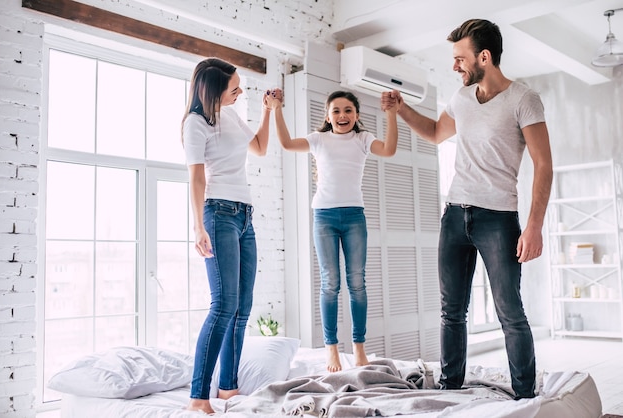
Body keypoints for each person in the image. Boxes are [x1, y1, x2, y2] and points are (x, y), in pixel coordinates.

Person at [381, 19, 553, 400]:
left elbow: (543, 165)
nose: (455, 66)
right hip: (455, 216)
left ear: (485, 57)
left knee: (510, 312)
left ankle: (525, 397)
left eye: (460, 58)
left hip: (498, 218)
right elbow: (437, 133)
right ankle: (451, 388)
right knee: (452, 311)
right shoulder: (461, 99)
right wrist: (403, 108)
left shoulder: (524, 100)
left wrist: (534, 227)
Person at [267, 90, 400, 372]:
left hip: (354, 217)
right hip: (324, 216)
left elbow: (388, 150)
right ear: (327, 116)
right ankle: (331, 350)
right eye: (336, 111)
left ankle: (359, 349)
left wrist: (391, 113)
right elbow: (287, 144)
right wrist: (277, 107)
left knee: (357, 284)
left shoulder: (362, 139)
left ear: (357, 115)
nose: (342, 116)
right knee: (330, 283)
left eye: (348, 110)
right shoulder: (319, 140)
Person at [181, 57, 276, 413]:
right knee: (222, 306)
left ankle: (228, 389)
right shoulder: (195, 123)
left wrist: (268, 111)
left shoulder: (231, 114)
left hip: (244, 215)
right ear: (214, 90)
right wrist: (197, 226)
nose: (240, 92)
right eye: (234, 87)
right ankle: (197, 397)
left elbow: (261, 148)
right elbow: (196, 178)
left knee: (242, 307)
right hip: (218, 214)